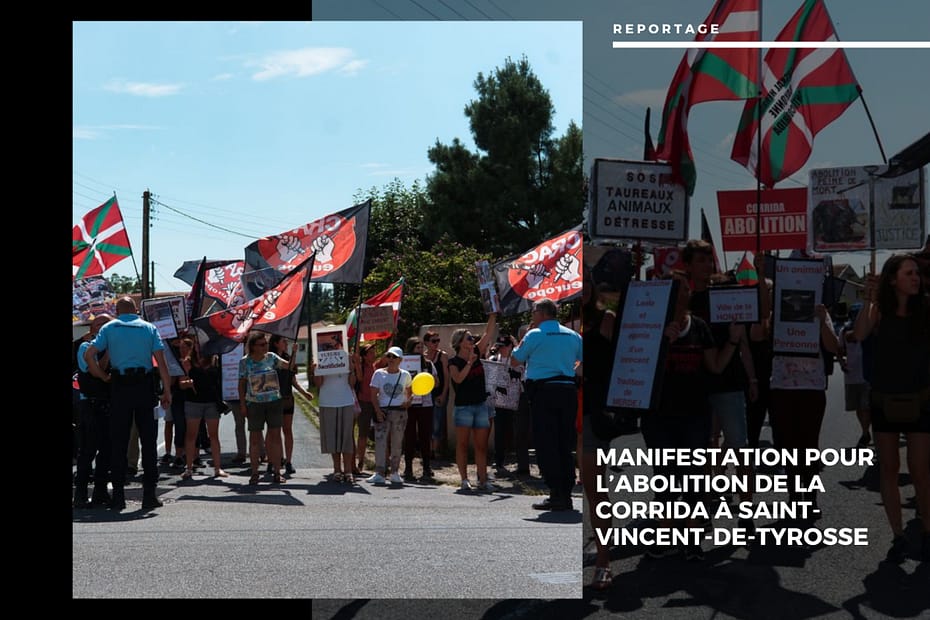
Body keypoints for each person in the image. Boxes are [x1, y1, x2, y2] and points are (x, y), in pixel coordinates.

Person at [643, 272, 744, 560]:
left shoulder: (700, 326)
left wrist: (734, 342)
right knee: (664, 477)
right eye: (675, 291)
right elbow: (637, 364)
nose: (681, 295)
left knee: (694, 480)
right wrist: (660, 341)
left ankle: (691, 538)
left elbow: (715, 366)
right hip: (659, 414)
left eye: (685, 290)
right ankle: (664, 536)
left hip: (695, 414)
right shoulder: (650, 324)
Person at [854, 254, 930, 563]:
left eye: (917, 273)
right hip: (885, 400)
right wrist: (870, 298)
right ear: (892, 279)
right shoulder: (879, 311)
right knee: (888, 469)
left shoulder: (926, 307)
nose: (916, 278)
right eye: (909, 273)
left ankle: (927, 532)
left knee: (921, 472)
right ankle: (898, 535)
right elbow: (859, 335)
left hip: (921, 400)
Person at [683, 240, 758, 525]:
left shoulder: (727, 295)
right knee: (701, 448)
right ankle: (703, 503)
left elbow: (743, 343)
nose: (706, 265)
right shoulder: (683, 300)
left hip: (729, 381)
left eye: (708, 260)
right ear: (688, 265)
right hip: (695, 384)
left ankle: (747, 510)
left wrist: (752, 377)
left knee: (740, 446)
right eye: (699, 261)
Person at [84, 297, 172, 511]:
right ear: (135, 310)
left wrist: (102, 376)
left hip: (120, 387)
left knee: (119, 443)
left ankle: (119, 498)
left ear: (117, 310)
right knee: (149, 442)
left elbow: (89, 355)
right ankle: (149, 495)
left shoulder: (109, 327)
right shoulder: (149, 327)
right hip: (144, 387)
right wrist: (167, 390)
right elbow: (161, 362)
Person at [512, 300, 582, 511]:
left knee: (546, 443)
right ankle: (566, 493)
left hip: (544, 392)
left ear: (542, 313)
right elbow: (580, 360)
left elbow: (516, 359)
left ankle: (555, 492)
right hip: (568, 391)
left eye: (534, 311)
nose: (532, 315)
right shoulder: (573, 335)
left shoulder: (534, 334)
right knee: (564, 443)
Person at [449, 314, 497, 492]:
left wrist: (493, 313)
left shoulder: (477, 350)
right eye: (469, 338)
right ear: (461, 342)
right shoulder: (453, 361)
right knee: (462, 445)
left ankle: (483, 480)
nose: (473, 340)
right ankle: (464, 480)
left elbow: (488, 333)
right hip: (463, 407)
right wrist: (469, 363)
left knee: (481, 446)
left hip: (481, 405)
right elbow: (458, 379)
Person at [73, 314, 115, 508]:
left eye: (108, 324)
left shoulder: (114, 348)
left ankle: (100, 493)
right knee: (88, 451)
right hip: (89, 405)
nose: (104, 327)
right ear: (92, 329)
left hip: (108, 404)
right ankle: (80, 494)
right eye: (100, 324)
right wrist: (107, 354)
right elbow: (96, 370)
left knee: (106, 451)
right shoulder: (85, 348)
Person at [238, 331, 290, 485]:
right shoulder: (245, 362)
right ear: (253, 346)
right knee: (255, 439)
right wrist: (242, 404)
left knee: (275, 437)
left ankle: (277, 472)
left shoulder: (272, 358)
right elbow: (241, 384)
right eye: (262, 344)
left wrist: (291, 353)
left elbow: (288, 366)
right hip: (254, 403)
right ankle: (255, 472)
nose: (265, 346)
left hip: (274, 402)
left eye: (266, 344)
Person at [178, 342, 228, 479]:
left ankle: (218, 469)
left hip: (211, 402)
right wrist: (187, 383)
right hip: (193, 402)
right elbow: (181, 384)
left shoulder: (215, 360)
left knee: (214, 436)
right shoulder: (187, 362)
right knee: (191, 435)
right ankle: (188, 468)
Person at [367, 347, 412, 485]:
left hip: (400, 412)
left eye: (394, 357)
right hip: (383, 411)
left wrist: (408, 402)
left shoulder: (405, 375)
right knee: (380, 442)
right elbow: (373, 394)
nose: (391, 359)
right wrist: (377, 411)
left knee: (397, 443)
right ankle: (379, 472)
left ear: (400, 360)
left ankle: (394, 471)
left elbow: (410, 391)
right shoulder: (379, 374)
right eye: (389, 356)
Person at [313, 347, 358, 484]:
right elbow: (318, 384)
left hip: (346, 400)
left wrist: (352, 367)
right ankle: (337, 469)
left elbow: (352, 383)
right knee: (333, 437)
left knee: (347, 437)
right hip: (328, 402)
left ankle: (348, 471)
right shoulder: (319, 358)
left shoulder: (347, 357)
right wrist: (316, 369)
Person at [270, 335, 312, 476]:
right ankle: (274, 460)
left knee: (287, 430)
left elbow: (293, 379)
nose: (286, 344)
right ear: (276, 344)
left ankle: (288, 461)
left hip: (287, 398)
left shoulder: (289, 358)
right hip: (274, 400)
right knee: (273, 432)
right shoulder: (270, 359)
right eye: (283, 341)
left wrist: (304, 393)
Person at [402, 337, 437, 481]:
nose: (421, 350)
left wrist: (427, 382)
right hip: (409, 405)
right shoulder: (403, 364)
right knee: (409, 436)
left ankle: (427, 467)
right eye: (418, 347)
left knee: (425, 436)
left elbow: (436, 381)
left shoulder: (428, 364)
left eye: (422, 347)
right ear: (411, 349)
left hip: (426, 404)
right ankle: (408, 468)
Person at [487, 334, 522, 477]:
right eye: (499, 347)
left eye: (504, 346)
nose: (501, 349)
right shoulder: (494, 360)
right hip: (499, 403)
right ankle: (499, 461)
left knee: (516, 432)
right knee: (499, 433)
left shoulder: (518, 361)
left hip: (515, 402)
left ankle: (518, 461)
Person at [839, 305, 871, 448]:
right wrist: (841, 363)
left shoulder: (870, 329)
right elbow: (839, 349)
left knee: (866, 407)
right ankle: (865, 431)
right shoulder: (844, 331)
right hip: (852, 375)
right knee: (858, 407)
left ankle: (866, 434)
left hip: (868, 376)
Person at [424, 330, 450, 459]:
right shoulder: (423, 357)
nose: (436, 343)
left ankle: (435, 450)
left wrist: (444, 393)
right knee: (427, 421)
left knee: (437, 422)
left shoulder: (442, 355)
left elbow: (446, 376)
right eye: (433, 341)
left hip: (439, 392)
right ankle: (427, 448)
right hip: (426, 394)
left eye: (437, 341)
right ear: (426, 343)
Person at [353, 343, 378, 475]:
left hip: (375, 403)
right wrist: (357, 363)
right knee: (363, 435)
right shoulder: (361, 367)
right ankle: (360, 462)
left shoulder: (375, 367)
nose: (373, 354)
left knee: (376, 433)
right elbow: (360, 378)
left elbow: (386, 356)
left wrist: (392, 335)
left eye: (374, 352)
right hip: (364, 403)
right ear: (364, 356)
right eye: (370, 352)